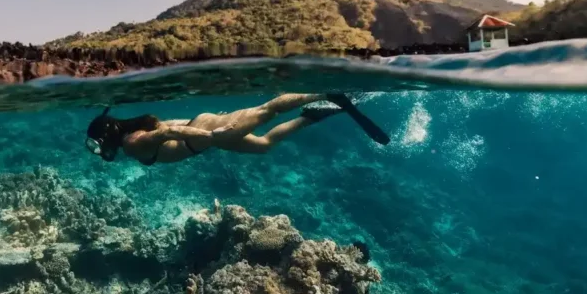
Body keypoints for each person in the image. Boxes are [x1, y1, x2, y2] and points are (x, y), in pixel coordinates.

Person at [85, 93, 388, 165]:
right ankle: (313, 115)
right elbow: (170, 125)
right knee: (265, 145)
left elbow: (165, 134)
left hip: (206, 136)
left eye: (96, 143)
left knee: (266, 110)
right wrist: (205, 124)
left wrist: (209, 132)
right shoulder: (134, 132)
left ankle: (324, 93)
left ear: (108, 132)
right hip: (203, 133)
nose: (100, 150)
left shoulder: (132, 144)